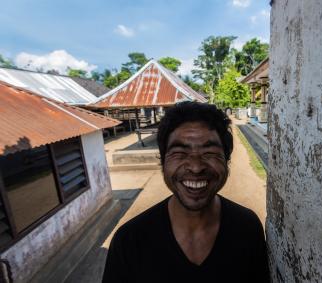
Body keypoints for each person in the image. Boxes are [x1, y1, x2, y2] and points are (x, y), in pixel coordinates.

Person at [102, 102, 270, 283]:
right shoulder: (129, 241)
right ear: (163, 162)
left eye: (210, 153)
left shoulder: (247, 228)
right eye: (180, 153)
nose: (196, 167)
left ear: (227, 161)